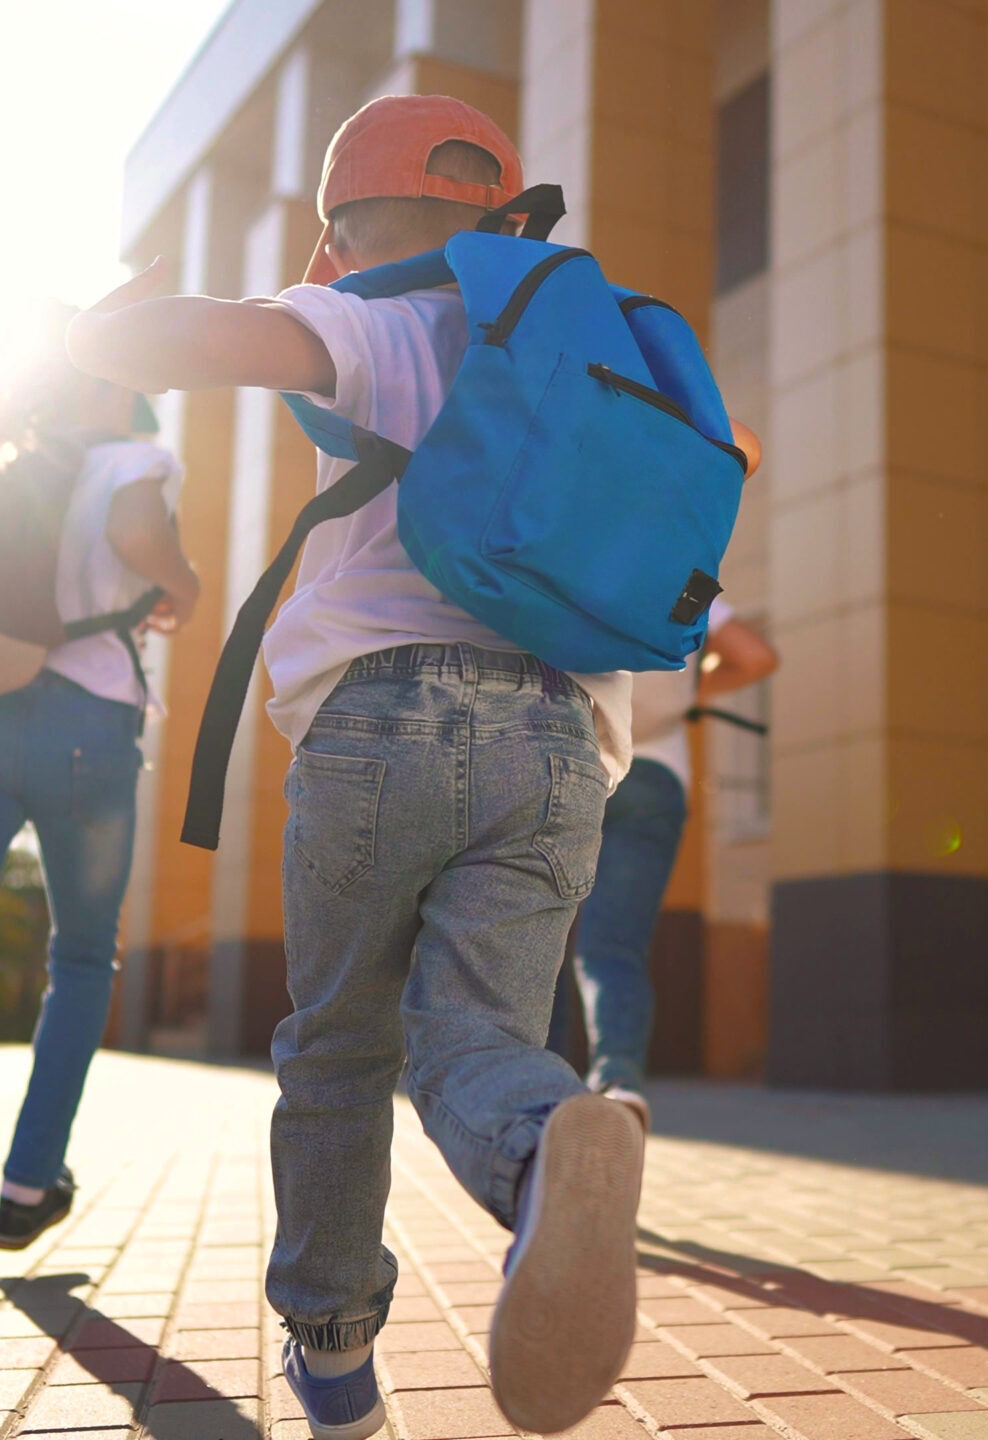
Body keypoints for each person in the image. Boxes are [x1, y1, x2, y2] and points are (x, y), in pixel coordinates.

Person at [66, 95, 749, 1439]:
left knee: (336, 1047)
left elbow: (202, 340)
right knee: (482, 1035)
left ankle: (333, 1363)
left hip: (382, 721)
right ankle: (545, 1141)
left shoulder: (374, 319)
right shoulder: (582, 334)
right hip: (564, 741)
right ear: (502, 216)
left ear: (348, 226)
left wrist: (100, 325)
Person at [0, 317, 199, 1250]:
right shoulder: (135, 459)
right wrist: (184, 584)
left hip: (7, 704)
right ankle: (29, 1181)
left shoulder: (32, 461)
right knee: (79, 960)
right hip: (89, 724)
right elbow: (134, 527)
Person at [549, 579, 777, 1128]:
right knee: (613, 948)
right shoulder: (686, 573)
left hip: (571, 760)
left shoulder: (576, 552)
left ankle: (537, 1094)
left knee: (542, 940)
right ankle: (619, 1082)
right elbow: (757, 656)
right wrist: (692, 692)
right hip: (655, 774)